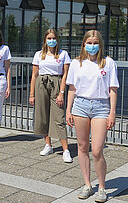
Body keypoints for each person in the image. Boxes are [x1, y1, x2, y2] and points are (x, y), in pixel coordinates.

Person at [66, 30, 118, 202]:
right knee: (82, 147)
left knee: (96, 150)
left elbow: (113, 89)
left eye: (95, 42)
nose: (92, 45)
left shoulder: (108, 63)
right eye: (89, 42)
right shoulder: (76, 63)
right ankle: (88, 184)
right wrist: (68, 109)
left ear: (100, 44)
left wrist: (112, 112)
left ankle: (102, 187)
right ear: (84, 44)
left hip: (101, 107)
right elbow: (72, 88)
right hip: (80, 106)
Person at [29, 29, 73, 163]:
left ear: (57, 40)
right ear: (45, 40)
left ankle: (66, 149)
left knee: (59, 117)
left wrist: (61, 92)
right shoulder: (39, 54)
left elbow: (65, 74)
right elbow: (34, 75)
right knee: (43, 115)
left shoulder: (63, 54)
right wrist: (32, 94)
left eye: (53, 38)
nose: (51, 41)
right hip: (41, 84)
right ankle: (48, 144)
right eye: (49, 38)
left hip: (56, 84)